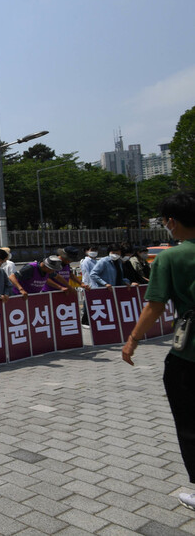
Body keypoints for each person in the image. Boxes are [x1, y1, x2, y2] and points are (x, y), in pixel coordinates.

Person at [121, 191, 195, 511]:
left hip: (188, 355)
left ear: (172, 222)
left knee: (190, 424)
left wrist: (133, 340)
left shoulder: (169, 257)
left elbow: (154, 306)